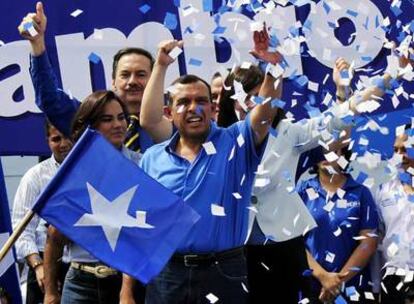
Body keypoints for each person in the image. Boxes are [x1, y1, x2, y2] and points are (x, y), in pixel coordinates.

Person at [121, 27, 283, 303]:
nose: (193, 108)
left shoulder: (236, 143)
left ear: (213, 109)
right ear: (169, 113)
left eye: (201, 101)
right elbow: (140, 227)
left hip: (224, 273)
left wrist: (274, 66)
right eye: (184, 102)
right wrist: (126, 291)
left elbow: (264, 114)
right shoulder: (153, 158)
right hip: (167, 275)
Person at [43, 90, 140, 304]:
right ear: (89, 126)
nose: (117, 124)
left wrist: (126, 291)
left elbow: (137, 237)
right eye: (107, 119)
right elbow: (54, 236)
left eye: (121, 117)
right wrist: (50, 292)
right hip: (79, 283)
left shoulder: (142, 166)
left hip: (126, 283)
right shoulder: (70, 170)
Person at [18, 2, 154, 153]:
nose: (132, 81)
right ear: (113, 80)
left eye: (141, 74)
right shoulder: (90, 118)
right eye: (125, 74)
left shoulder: (172, 119)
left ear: (154, 79)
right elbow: (49, 99)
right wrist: (37, 44)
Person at [297, 138, 379, 304]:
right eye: (323, 150)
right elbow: (293, 241)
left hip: (351, 289)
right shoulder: (302, 191)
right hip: (311, 289)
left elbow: (369, 242)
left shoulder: (361, 193)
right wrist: (323, 277)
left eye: (334, 150)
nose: (327, 155)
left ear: (344, 155)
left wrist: (337, 282)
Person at [12, 120, 72, 304]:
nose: (63, 144)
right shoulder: (35, 176)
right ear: (48, 142)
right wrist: (39, 267)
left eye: (68, 137)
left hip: (79, 267)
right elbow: (21, 230)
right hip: (41, 265)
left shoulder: (93, 173)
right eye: (56, 139)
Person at [375, 125, 414, 304]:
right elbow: (377, 237)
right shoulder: (383, 191)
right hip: (394, 276)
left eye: (405, 150)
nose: (400, 156)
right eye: (396, 150)